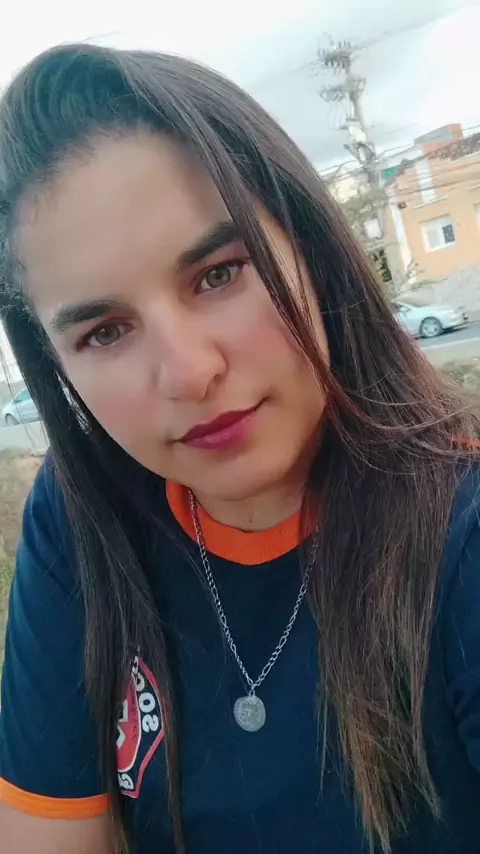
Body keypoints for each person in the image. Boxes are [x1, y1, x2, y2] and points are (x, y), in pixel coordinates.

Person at [0, 42, 479, 854]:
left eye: (219, 274)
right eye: (106, 331)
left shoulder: (460, 534)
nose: (189, 372)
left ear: (310, 249)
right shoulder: (83, 517)